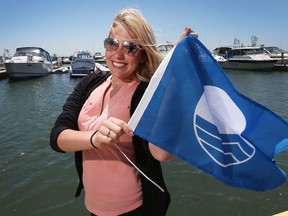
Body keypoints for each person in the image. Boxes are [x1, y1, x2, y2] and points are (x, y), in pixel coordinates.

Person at [50, 8, 198, 216]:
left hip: (134, 208)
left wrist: (172, 75)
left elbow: (161, 154)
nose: (118, 54)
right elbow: (57, 136)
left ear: (143, 53)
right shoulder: (89, 82)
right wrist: (95, 138)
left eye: (131, 47)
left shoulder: (146, 92)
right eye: (112, 43)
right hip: (94, 207)